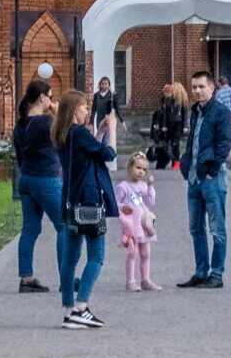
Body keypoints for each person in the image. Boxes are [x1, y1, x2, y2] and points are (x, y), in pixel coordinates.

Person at [54, 88, 117, 328]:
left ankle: (69, 309)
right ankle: (82, 306)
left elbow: (88, 151)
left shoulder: (63, 134)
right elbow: (108, 154)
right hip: (89, 200)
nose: (86, 110)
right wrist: (111, 128)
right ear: (73, 111)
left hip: (71, 199)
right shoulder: (79, 133)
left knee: (70, 259)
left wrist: (98, 131)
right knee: (97, 257)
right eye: (82, 107)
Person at [177, 69, 231, 288]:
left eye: (201, 87)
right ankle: (201, 271)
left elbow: (224, 145)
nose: (197, 91)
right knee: (196, 228)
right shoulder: (196, 111)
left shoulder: (221, 113)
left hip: (212, 178)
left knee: (217, 229)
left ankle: (216, 274)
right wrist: (185, 163)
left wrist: (211, 169)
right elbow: (193, 142)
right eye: (194, 87)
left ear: (212, 87)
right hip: (193, 178)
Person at [11, 79, 61, 294]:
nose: (52, 100)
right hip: (47, 179)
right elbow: (67, 135)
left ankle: (26, 278)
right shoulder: (45, 122)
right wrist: (58, 113)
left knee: (30, 229)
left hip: (26, 179)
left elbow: (20, 157)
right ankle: (66, 278)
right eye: (50, 96)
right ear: (42, 98)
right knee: (65, 226)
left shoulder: (20, 125)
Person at [116, 151, 160, 291]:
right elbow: (115, 203)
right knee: (132, 253)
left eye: (144, 169)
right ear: (130, 168)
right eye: (138, 168)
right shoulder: (123, 186)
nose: (141, 172)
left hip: (144, 225)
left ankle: (145, 279)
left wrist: (151, 187)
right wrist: (123, 207)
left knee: (146, 254)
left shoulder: (143, 185)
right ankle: (130, 281)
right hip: (132, 226)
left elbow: (150, 201)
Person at [148, 82, 187, 171]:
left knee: (175, 144)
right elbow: (165, 114)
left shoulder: (180, 101)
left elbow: (185, 114)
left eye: (166, 93)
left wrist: (185, 126)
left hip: (178, 124)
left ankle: (176, 162)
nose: (165, 95)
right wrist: (164, 125)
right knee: (169, 144)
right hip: (170, 124)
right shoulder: (166, 101)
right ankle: (173, 161)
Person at [91, 76, 118, 148]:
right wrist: (91, 123)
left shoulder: (112, 95)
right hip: (99, 119)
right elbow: (93, 110)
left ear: (109, 85)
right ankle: (100, 154)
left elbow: (115, 108)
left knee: (106, 138)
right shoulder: (96, 95)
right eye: (102, 84)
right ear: (100, 84)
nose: (104, 85)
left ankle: (105, 155)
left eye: (106, 84)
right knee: (100, 136)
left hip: (108, 118)